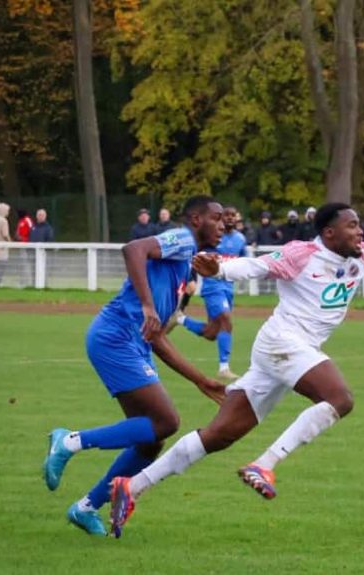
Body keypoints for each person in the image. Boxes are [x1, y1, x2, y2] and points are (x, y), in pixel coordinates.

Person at [107, 203, 364, 537]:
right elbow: (256, 266)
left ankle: (132, 485)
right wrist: (220, 271)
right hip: (282, 342)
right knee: (339, 399)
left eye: (359, 225)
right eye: (351, 226)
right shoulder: (301, 253)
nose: (359, 231)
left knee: (220, 434)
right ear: (329, 233)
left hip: (290, 351)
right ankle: (265, 464)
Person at [40, 196, 228, 537]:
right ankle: (68, 441)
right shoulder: (183, 239)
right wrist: (145, 305)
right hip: (115, 336)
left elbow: (157, 338)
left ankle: (84, 509)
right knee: (166, 421)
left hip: (131, 342)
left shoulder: (185, 267)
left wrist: (201, 381)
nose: (223, 225)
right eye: (216, 218)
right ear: (196, 219)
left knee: (150, 440)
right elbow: (133, 249)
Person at [167, 205, 250, 382]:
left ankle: (179, 318)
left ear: (236, 218)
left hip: (228, 288)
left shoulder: (240, 239)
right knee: (226, 319)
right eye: (225, 215)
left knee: (212, 333)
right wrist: (191, 278)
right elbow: (194, 257)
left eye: (232, 215)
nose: (229, 218)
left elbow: (243, 260)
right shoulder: (211, 238)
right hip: (213, 287)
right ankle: (224, 368)